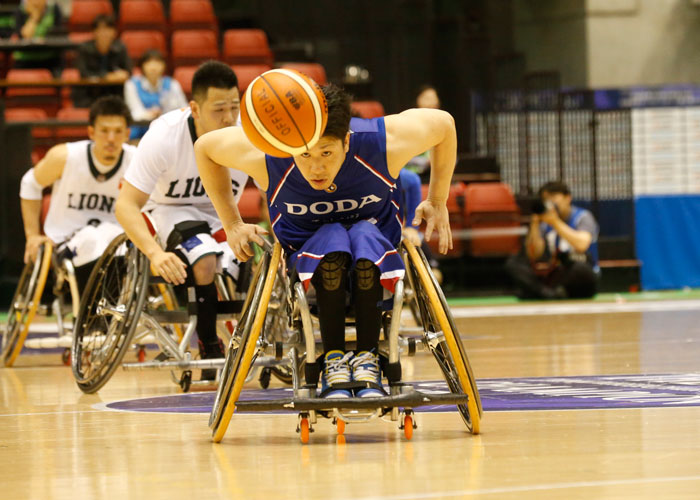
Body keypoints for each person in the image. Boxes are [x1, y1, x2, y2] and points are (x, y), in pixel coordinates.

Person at [195, 84, 456, 399]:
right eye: (304, 155)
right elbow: (205, 147)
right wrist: (232, 223)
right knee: (331, 236)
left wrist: (438, 199)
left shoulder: (382, 143)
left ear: (346, 140)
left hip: (373, 245)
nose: (315, 167)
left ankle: (367, 359)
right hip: (308, 249)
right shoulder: (269, 154)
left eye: (326, 153)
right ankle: (333, 360)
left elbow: (444, 124)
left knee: (361, 233)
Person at [115, 61, 246, 380]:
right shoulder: (163, 136)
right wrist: (154, 253)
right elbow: (126, 205)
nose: (228, 117)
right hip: (170, 212)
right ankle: (209, 343)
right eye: (219, 109)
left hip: (222, 213)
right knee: (204, 260)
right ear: (195, 108)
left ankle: (252, 339)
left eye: (234, 107)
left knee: (252, 257)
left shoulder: (246, 133)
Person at [20, 95, 135, 291]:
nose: (111, 138)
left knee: (116, 239)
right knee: (91, 239)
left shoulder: (137, 161)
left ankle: (110, 313)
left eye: (117, 132)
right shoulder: (65, 156)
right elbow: (30, 183)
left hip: (115, 239)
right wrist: (32, 235)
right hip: (66, 238)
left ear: (127, 134)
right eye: (104, 131)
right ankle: (90, 315)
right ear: (91, 132)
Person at [505, 181, 599, 299]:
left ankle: (539, 293)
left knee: (578, 268)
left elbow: (582, 245)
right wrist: (535, 225)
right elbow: (533, 254)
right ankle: (547, 293)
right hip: (556, 275)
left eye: (553, 197)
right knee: (514, 263)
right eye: (546, 199)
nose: (550, 202)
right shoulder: (545, 222)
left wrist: (556, 222)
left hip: (581, 274)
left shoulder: (583, 217)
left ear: (567, 198)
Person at [124, 49, 188, 141]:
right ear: (142, 65)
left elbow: (183, 109)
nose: (153, 67)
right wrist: (149, 114)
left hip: (168, 129)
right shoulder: (131, 84)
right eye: (149, 62)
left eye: (157, 62)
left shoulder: (172, 84)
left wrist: (164, 114)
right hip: (140, 129)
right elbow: (134, 112)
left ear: (163, 66)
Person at [73, 14, 132, 107]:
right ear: (94, 32)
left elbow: (128, 72)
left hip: (115, 94)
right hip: (89, 95)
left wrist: (122, 75)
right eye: (100, 29)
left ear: (114, 32)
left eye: (108, 29)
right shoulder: (84, 49)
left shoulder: (120, 48)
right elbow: (83, 73)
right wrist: (106, 76)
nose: (104, 33)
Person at [12, 0, 64, 76]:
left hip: (50, 59)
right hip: (25, 59)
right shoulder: (20, 11)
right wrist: (34, 17)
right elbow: (21, 35)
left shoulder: (54, 9)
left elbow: (58, 33)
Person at [404, 84, 442, 177]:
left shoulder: (441, 125)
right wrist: (426, 162)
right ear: (418, 100)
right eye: (427, 98)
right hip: (412, 174)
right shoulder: (408, 124)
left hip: (434, 173)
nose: (431, 102)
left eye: (434, 98)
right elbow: (402, 157)